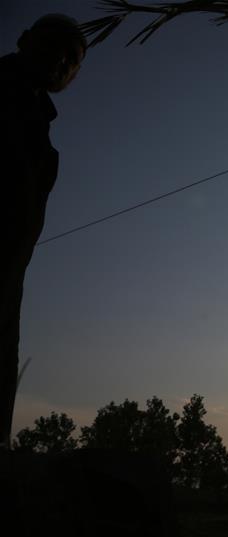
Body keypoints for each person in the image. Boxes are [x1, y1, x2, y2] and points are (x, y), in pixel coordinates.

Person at [1, 15, 86, 449]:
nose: (62, 61)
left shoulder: (42, 129)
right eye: (55, 46)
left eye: (73, 60)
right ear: (26, 38)